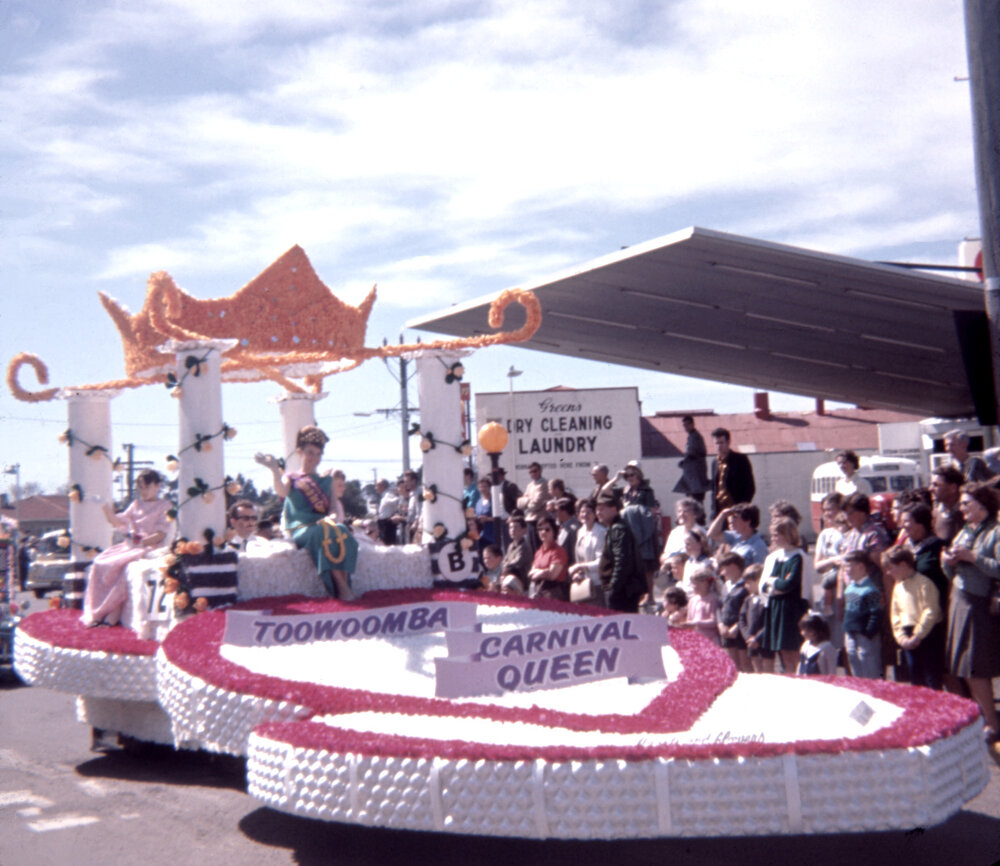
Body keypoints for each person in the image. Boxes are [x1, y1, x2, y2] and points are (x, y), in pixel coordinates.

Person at [256, 426, 358, 599]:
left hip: (324, 524)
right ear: (300, 452)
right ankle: (341, 588)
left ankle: (345, 584)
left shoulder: (327, 481)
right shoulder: (292, 478)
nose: (314, 458)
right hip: (302, 528)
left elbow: (333, 507)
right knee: (322, 534)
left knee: (342, 531)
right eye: (310, 453)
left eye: (318, 454)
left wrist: (331, 518)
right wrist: (274, 470)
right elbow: (282, 491)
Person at [941, 482, 1000, 742]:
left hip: (980, 603)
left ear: (982, 505)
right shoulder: (965, 530)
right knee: (965, 667)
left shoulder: (995, 532)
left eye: (966, 503)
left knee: (977, 667)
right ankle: (985, 717)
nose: (962, 508)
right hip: (960, 599)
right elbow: (953, 572)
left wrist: (973, 557)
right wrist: (949, 562)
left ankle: (993, 723)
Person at [81, 469, 172, 627]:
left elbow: (160, 534)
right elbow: (117, 522)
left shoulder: (165, 506)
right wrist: (104, 507)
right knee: (100, 562)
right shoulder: (136, 504)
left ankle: (111, 613)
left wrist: (141, 543)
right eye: (141, 488)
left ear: (158, 486)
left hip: (149, 547)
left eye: (147, 487)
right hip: (130, 546)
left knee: (117, 566)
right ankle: (99, 610)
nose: (143, 492)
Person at [886, 546, 943, 690]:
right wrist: (901, 637)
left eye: (891, 568)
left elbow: (930, 611)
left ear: (903, 565)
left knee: (931, 677)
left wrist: (918, 635)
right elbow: (895, 614)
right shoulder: (898, 586)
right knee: (915, 678)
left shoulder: (924, 583)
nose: (889, 572)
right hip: (908, 634)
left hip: (927, 634)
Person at [760, 516, 805, 673]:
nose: (773, 539)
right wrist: (775, 583)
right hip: (777, 607)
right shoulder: (776, 558)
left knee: (793, 650)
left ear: (787, 534)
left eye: (776, 535)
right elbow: (765, 585)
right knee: (783, 650)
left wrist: (775, 583)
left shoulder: (797, 557)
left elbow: (789, 584)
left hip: (791, 609)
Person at [596, 488, 647, 613]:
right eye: (597, 509)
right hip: (622, 589)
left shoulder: (618, 529)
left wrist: (613, 588)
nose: (598, 513)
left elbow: (622, 561)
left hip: (623, 591)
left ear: (613, 509)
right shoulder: (614, 528)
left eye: (602, 509)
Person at [841, 549, 883, 679]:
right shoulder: (850, 587)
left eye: (849, 566)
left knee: (868, 664)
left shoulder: (870, 589)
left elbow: (876, 613)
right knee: (853, 660)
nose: (847, 569)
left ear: (861, 566)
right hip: (850, 633)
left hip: (864, 635)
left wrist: (868, 633)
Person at [568, 498, 608, 606]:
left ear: (595, 514)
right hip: (583, 584)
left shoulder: (601, 532)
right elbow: (579, 558)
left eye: (588, 512)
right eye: (582, 512)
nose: (585, 515)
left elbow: (601, 562)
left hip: (597, 585)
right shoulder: (580, 531)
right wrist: (577, 573)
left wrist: (580, 566)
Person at [716, 552, 751, 672]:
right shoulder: (725, 586)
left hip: (739, 630)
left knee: (745, 664)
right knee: (731, 665)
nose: (723, 573)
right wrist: (720, 624)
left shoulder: (744, 587)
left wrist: (736, 627)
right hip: (726, 629)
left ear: (734, 567)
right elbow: (719, 606)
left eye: (725, 568)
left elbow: (746, 610)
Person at [709, 427, 755, 517]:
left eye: (721, 443)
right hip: (719, 511)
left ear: (728, 442)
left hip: (736, 509)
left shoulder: (740, 460)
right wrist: (713, 510)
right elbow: (714, 488)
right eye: (716, 443)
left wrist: (742, 508)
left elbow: (750, 487)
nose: (719, 446)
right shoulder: (714, 462)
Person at [813, 492, 846, 614]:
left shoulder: (848, 531)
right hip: (828, 586)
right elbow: (817, 566)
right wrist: (832, 560)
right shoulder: (825, 534)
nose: (827, 513)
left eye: (831, 509)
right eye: (824, 510)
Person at [738, 564, 772, 673]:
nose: (746, 586)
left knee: (768, 671)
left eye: (749, 583)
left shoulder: (766, 598)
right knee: (757, 670)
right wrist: (747, 636)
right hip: (751, 641)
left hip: (765, 641)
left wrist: (757, 638)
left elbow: (770, 621)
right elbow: (742, 618)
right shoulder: (748, 599)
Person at [527, 515, 569, 601]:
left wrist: (539, 573)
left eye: (547, 529)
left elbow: (553, 575)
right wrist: (544, 572)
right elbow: (531, 573)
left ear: (554, 531)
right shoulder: (538, 552)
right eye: (540, 529)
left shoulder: (558, 551)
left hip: (554, 593)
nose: (543, 532)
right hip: (538, 592)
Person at [676, 567, 719, 644]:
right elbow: (689, 619)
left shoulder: (713, 600)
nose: (694, 586)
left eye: (697, 584)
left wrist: (696, 623)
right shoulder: (692, 600)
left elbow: (714, 622)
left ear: (706, 583)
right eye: (693, 584)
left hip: (710, 639)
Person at [673, 414, 709, 504]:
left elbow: (698, 453)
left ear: (692, 424)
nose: (686, 427)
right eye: (684, 425)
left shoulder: (696, 437)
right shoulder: (691, 437)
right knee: (691, 502)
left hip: (696, 477)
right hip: (691, 477)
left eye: (687, 424)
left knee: (696, 503)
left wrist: (687, 460)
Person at [517, 462, 550, 548]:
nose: (533, 474)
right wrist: (529, 501)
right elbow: (519, 503)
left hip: (539, 520)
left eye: (535, 471)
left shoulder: (544, 484)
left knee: (537, 546)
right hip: (529, 520)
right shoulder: (530, 485)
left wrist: (527, 502)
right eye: (530, 472)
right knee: (530, 546)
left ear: (540, 471)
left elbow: (536, 504)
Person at [931, 465, 965, 545]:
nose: (931, 489)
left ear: (953, 488)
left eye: (936, 485)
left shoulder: (965, 514)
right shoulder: (935, 513)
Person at [498, 515, 533, 592]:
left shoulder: (524, 546)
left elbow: (516, 563)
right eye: (510, 527)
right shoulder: (511, 545)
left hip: (521, 582)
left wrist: (505, 567)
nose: (513, 530)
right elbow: (505, 561)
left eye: (516, 527)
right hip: (509, 578)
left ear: (524, 530)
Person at [680, 527, 713, 597]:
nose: (685, 547)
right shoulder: (688, 563)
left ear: (700, 544)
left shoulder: (706, 564)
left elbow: (709, 588)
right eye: (685, 544)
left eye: (688, 544)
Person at [554, 498, 579, 565]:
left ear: (564, 512)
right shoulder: (563, 525)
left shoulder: (573, 529)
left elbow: (574, 554)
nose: (555, 513)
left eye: (556, 511)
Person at [375, 478, 400, 545]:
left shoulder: (388, 495)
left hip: (387, 524)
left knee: (387, 544)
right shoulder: (384, 496)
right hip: (383, 523)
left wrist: (396, 512)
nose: (376, 488)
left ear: (382, 486)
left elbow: (397, 500)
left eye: (377, 486)